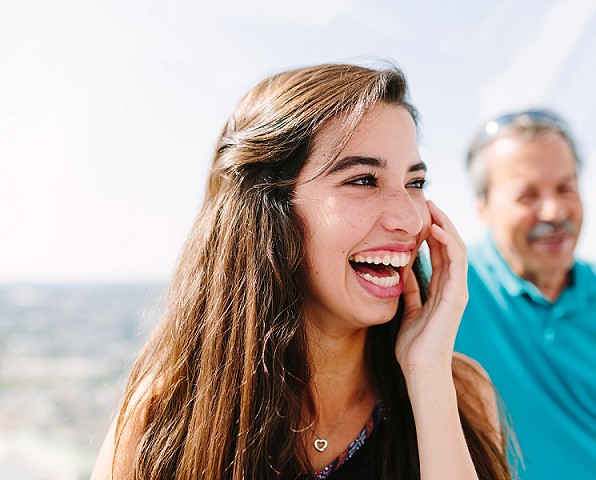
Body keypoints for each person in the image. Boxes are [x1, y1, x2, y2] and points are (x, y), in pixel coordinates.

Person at [90, 63, 511, 479]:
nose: (407, 217)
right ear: (268, 210)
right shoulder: (163, 418)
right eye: (363, 180)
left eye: (415, 183)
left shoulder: (459, 392)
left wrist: (427, 375)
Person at [454, 108, 596, 480]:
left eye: (566, 188)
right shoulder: (446, 284)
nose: (554, 210)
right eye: (527, 195)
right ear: (483, 207)